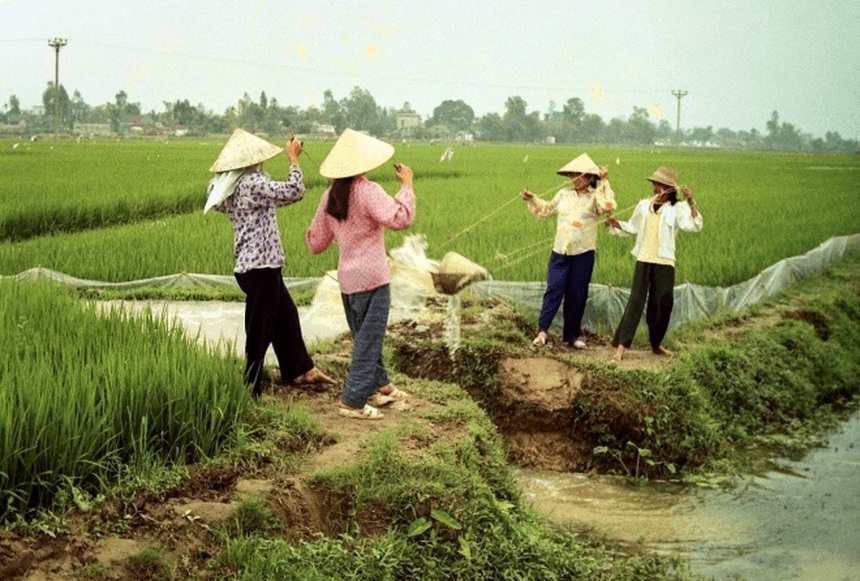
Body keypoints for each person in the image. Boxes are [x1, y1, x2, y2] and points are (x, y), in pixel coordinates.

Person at [205, 128, 333, 399]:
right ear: (252, 161)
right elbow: (295, 191)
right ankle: (250, 389)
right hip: (261, 267)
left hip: (253, 266)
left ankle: (301, 369)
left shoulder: (228, 187)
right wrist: (294, 160)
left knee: (286, 317)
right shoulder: (252, 183)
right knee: (260, 330)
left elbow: (216, 192)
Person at [306, 128, 416, 420]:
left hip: (348, 281)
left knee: (365, 336)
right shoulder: (369, 191)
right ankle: (352, 402)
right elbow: (400, 219)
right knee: (369, 341)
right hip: (374, 279)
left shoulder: (331, 196)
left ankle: (384, 388)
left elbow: (315, 242)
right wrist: (407, 186)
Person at [604, 166, 703, 361]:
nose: (656, 188)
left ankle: (656, 344)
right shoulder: (643, 205)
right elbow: (633, 227)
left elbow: (693, 226)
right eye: (655, 184)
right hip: (644, 258)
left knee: (663, 303)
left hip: (665, 260)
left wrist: (691, 201)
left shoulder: (678, 208)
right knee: (635, 301)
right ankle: (622, 346)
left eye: (661, 185)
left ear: (670, 189)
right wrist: (617, 224)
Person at [521, 153, 616, 349]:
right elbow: (545, 210)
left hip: (583, 252)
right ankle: (542, 331)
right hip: (560, 250)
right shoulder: (564, 194)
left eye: (580, 175)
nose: (575, 179)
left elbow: (608, 206)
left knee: (577, 294)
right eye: (573, 175)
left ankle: (571, 336)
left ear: (590, 177)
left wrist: (604, 181)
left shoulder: (594, 197)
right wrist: (533, 199)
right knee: (553, 290)